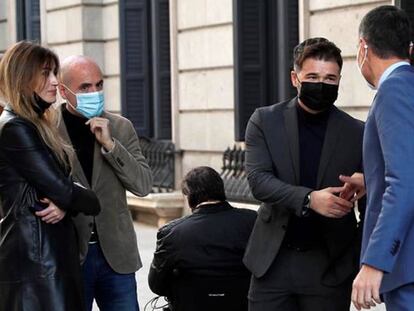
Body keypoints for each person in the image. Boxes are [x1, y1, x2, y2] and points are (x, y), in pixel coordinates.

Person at [244, 37, 366, 311]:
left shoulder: (357, 132)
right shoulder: (264, 120)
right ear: (295, 78)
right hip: (272, 263)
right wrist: (310, 199)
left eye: (330, 79)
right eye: (312, 76)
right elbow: (258, 181)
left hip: (330, 267)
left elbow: (371, 202)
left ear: (339, 81)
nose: (321, 85)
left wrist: (358, 261)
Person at [0, 41, 101, 310]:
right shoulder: (16, 128)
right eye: (46, 73)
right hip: (37, 266)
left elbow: (63, 190)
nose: (55, 82)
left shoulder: (36, 126)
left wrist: (65, 200)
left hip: (48, 261)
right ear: (22, 78)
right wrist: (69, 197)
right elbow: (71, 192)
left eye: (55, 73)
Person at [57, 55, 153, 311]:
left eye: (99, 85)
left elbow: (143, 185)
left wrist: (111, 145)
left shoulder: (121, 127)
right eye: (85, 87)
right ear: (63, 91)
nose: (95, 92)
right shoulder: (47, 129)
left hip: (116, 256)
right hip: (70, 255)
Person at [346, 5, 414, 311]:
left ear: (363, 47)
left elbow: (406, 180)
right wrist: (371, 180)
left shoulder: (394, 90)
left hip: (406, 266)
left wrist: (375, 261)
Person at [148, 166, 257, 311]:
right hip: (242, 304)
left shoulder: (172, 232)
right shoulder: (252, 220)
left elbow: (157, 285)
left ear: (189, 196)